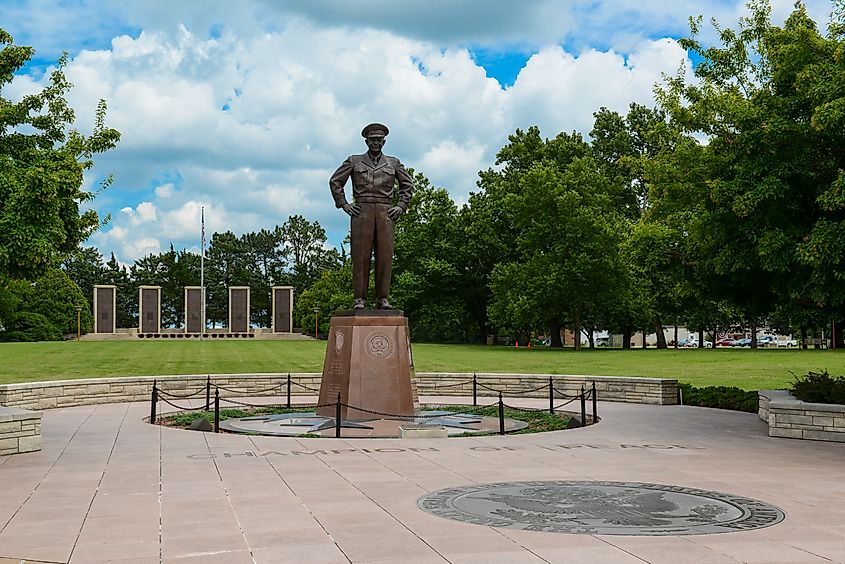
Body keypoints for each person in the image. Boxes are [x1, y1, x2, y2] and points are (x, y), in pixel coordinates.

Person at [329, 123, 413, 309]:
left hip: (386, 213)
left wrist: (401, 205)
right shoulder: (354, 161)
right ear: (366, 141)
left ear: (384, 141)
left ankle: (383, 298)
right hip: (362, 212)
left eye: (379, 140)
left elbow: (407, 186)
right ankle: (360, 299)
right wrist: (343, 204)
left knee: (385, 256)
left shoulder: (393, 163)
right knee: (361, 257)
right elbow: (335, 181)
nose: (375, 142)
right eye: (372, 139)